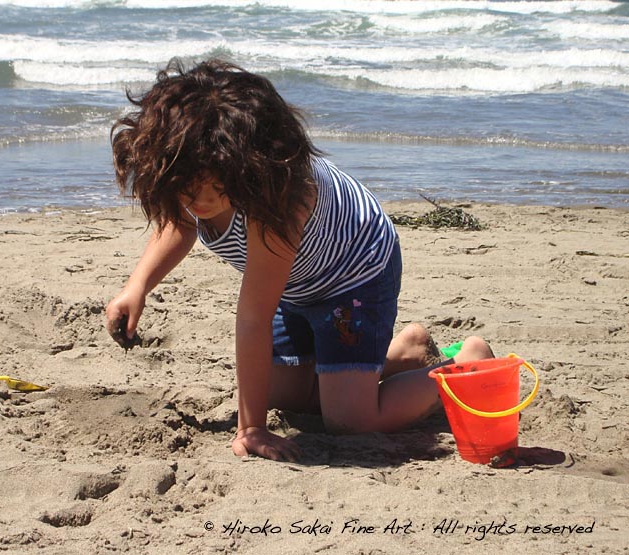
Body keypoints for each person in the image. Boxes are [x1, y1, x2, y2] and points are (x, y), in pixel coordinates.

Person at [105, 58, 494, 462]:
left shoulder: (278, 196)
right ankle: (405, 354)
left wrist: (251, 428)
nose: (198, 203)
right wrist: (138, 287)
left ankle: (467, 365)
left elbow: (254, 316)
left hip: (354, 273)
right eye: (186, 190)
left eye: (212, 191)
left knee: (350, 421)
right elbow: (180, 225)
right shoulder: (189, 168)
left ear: (246, 165)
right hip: (296, 284)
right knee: (278, 393)